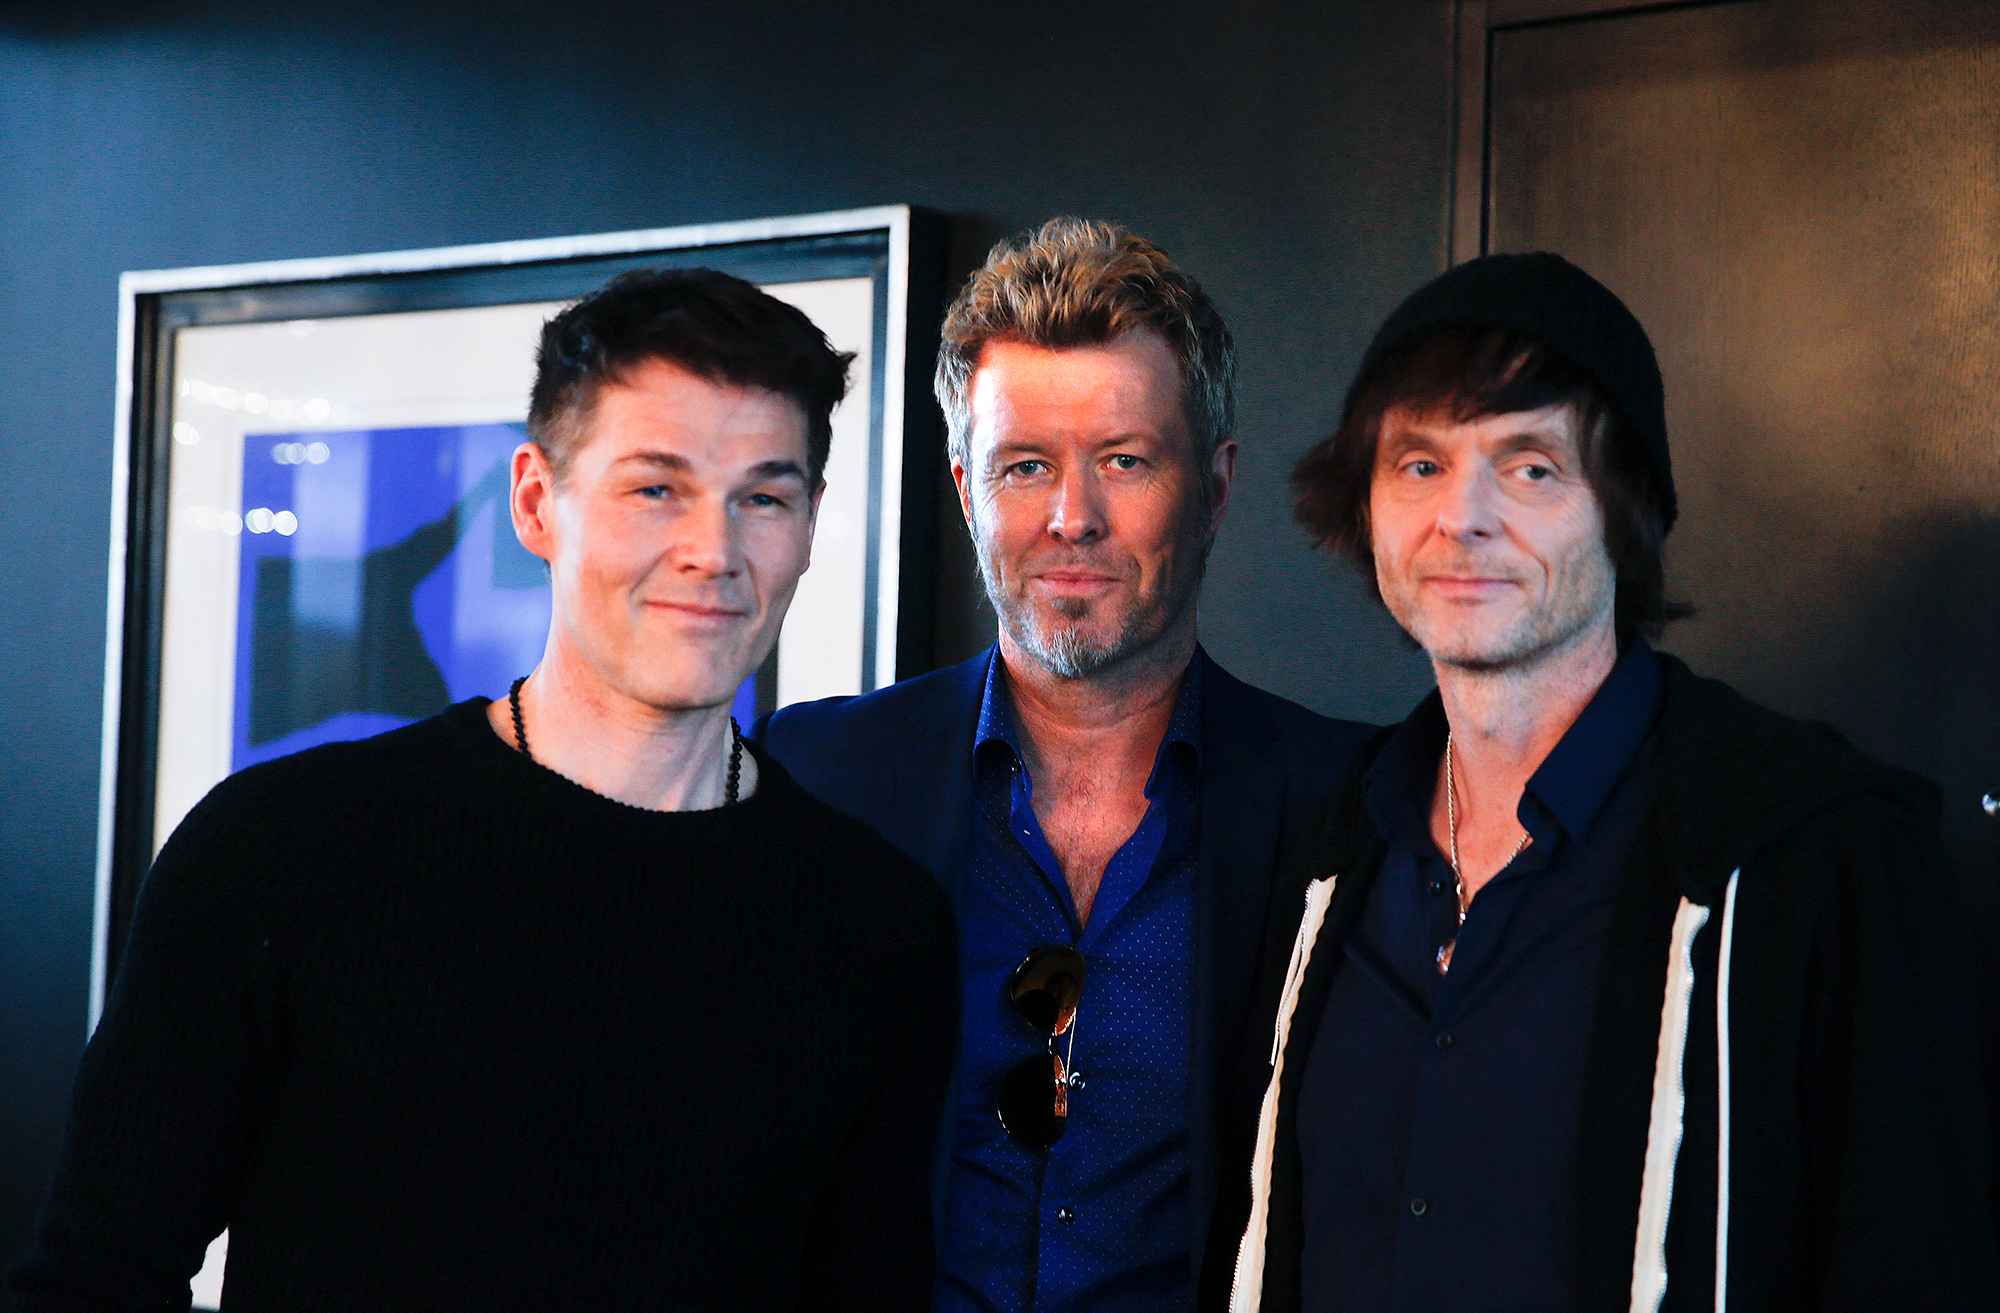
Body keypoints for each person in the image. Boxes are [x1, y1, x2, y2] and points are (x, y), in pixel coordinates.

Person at [13, 268, 957, 1311]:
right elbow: (95, 1276)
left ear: (812, 522)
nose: (714, 551)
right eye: (656, 487)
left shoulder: (877, 926)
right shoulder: (279, 849)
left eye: (763, 498)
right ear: (535, 501)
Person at [1206, 252, 1999, 1312]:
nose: (1463, 517)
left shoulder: (1810, 857)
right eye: (1417, 464)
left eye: (1529, 465)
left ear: (1623, 511)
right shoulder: (1325, 854)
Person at [756, 217, 1373, 1313]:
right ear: (963, 488)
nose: (1070, 518)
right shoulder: (816, 776)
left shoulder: (1351, 808)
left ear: (1213, 486)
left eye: (1124, 461)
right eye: (1023, 466)